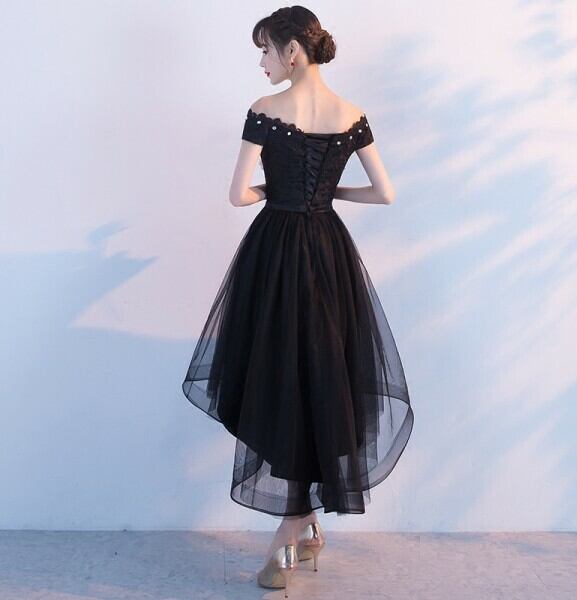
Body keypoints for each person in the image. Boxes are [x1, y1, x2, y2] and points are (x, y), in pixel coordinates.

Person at [181, 5, 414, 596]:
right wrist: (328, 194)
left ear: (291, 51)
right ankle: (305, 528)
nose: (261, 63)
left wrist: (276, 191)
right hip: (329, 254)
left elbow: (238, 196)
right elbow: (385, 193)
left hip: (277, 253)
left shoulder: (265, 111)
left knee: (284, 379)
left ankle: (290, 540)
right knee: (316, 379)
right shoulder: (352, 114)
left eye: (265, 50)